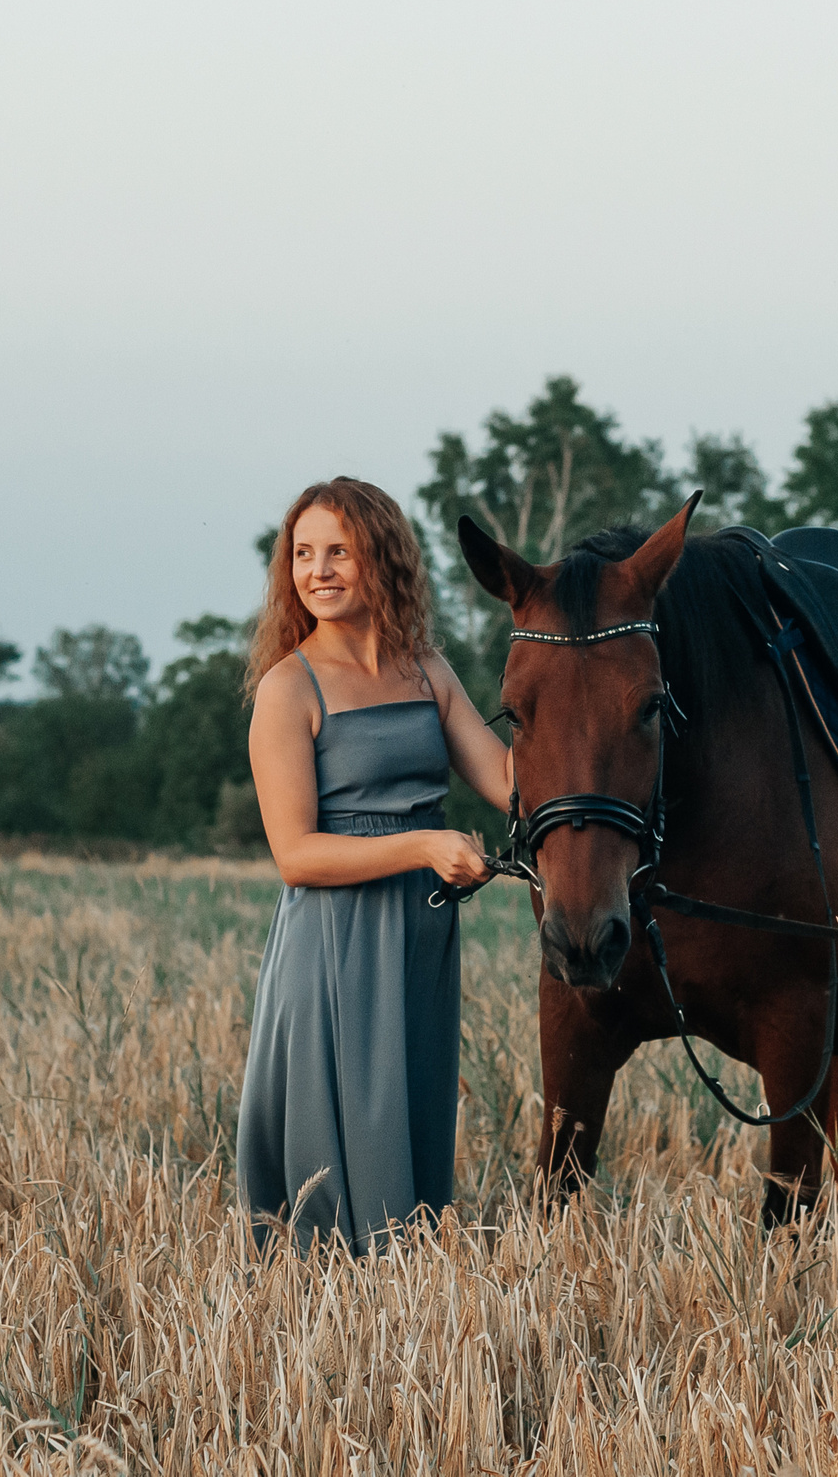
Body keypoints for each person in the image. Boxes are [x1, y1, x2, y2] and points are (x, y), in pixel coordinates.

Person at [235, 477, 512, 1253]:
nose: (317, 570)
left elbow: (509, 785)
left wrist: (588, 709)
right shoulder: (289, 688)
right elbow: (295, 855)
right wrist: (427, 846)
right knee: (345, 1132)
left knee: (409, 1112)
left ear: (382, 558)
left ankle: (404, 1309)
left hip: (419, 937)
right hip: (335, 941)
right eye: (301, 554)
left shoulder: (426, 669)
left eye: (338, 551)